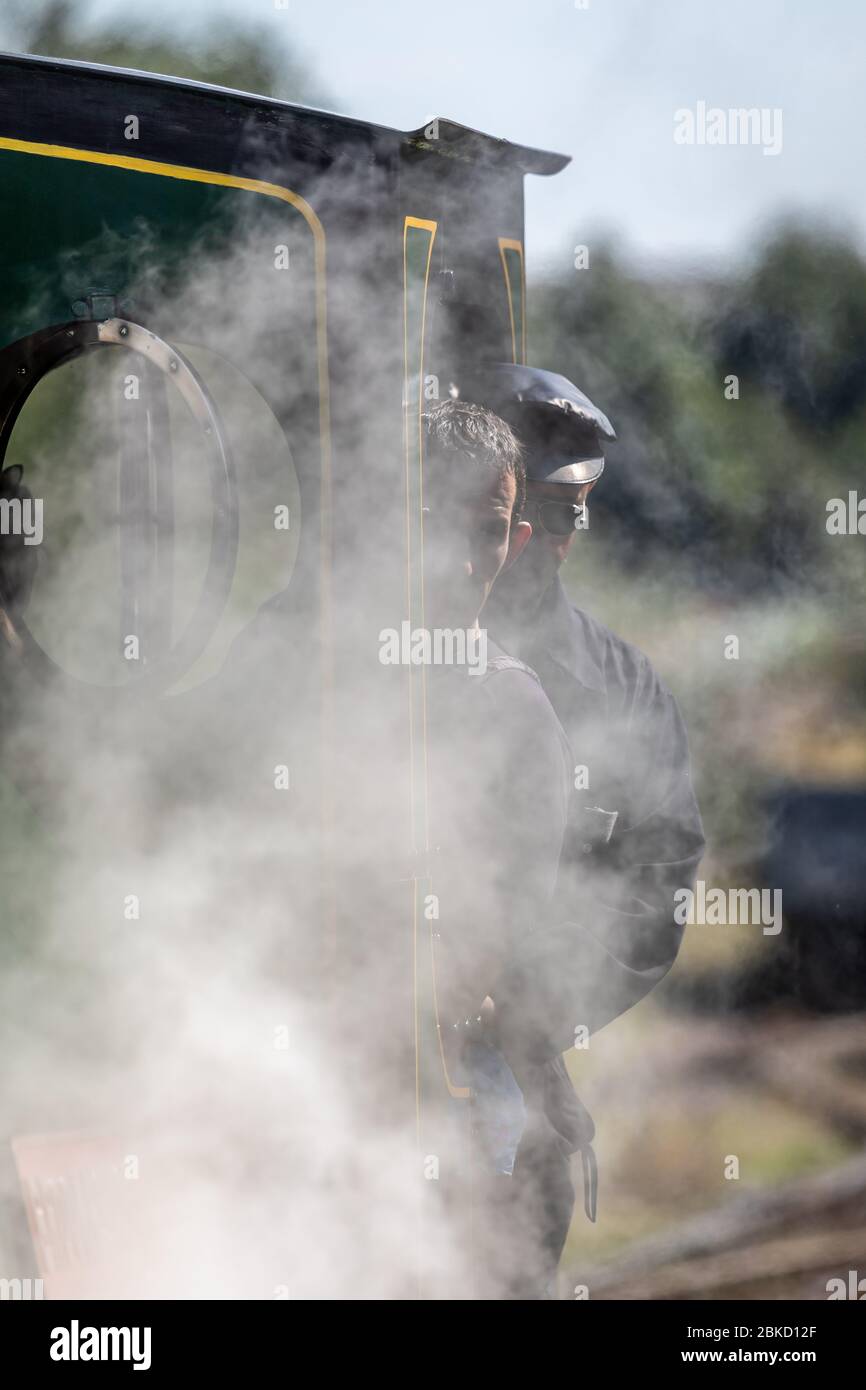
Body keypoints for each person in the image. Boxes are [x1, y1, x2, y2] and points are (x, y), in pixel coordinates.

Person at [455, 364, 706, 1296]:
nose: (555, 537)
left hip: (515, 1101)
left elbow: (653, 892)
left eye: (572, 513)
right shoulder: (363, 647)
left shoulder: (624, 690)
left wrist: (522, 1007)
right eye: (539, 510)